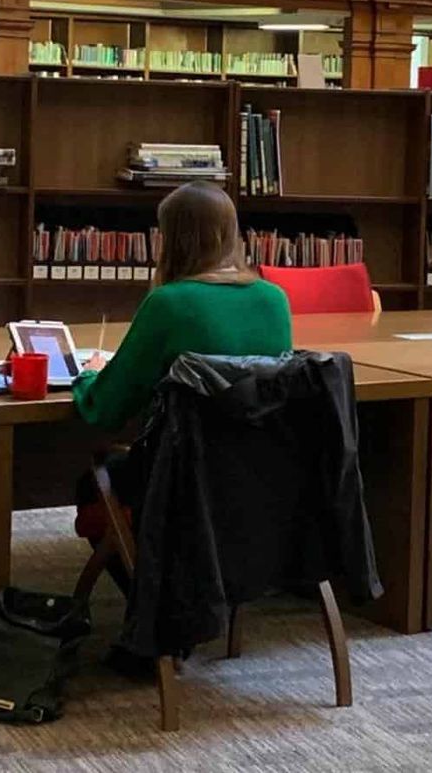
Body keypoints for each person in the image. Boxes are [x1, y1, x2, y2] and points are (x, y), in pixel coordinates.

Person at [72, 181, 292, 584]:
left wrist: (89, 374)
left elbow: (107, 410)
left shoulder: (168, 304)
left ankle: (153, 602)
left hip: (180, 481)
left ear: (172, 240)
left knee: (94, 482)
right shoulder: (275, 300)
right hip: (259, 479)